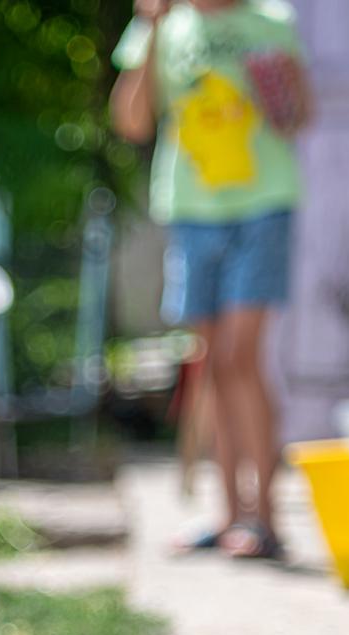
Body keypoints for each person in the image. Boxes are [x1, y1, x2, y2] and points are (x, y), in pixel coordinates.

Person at [110, 0, 311, 559]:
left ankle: (265, 517)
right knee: (214, 364)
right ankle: (230, 517)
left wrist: (281, 90)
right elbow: (131, 120)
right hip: (193, 210)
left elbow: (299, 117)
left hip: (262, 205)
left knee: (240, 357)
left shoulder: (271, 20)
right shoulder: (161, 26)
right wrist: (149, 28)